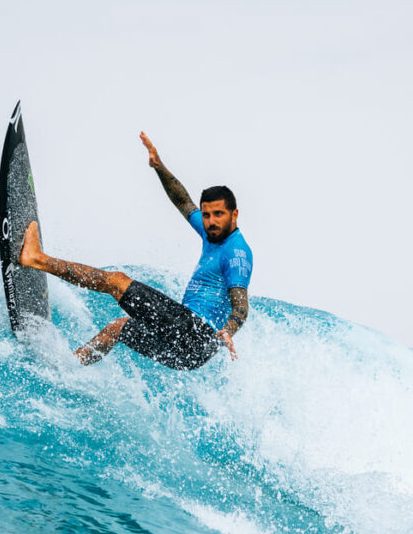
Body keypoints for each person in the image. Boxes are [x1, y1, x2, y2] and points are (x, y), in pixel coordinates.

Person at [18, 131, 253, 370]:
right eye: (207, 215)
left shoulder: (236, 253)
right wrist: (159, 167)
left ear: (234, 214)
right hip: (191, 354)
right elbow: (183, 202)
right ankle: (66, 368)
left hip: (196, 331)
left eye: (218, 215)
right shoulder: (211, 232)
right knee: (117, 328)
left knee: (117, 282)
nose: (211, 221)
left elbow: (241, 308)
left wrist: (228, 332)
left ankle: (36, 259)